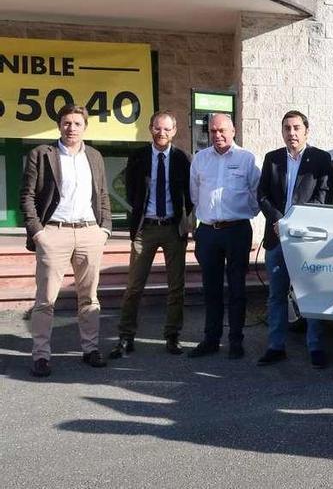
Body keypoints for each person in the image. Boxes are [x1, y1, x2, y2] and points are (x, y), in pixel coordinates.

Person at [19, 104, 112, 377]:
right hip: (53, 233)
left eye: (77, 123)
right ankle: (41, 356)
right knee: (46, 299)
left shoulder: (94, 156)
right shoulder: (41, 154)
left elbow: (103, 195)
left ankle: (91, 349)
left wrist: (104, 229)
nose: (71, 128)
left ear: (85, 127)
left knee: (90, 297)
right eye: (67, 123)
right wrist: (38, 232)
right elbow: (27, 197)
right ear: (59, 125)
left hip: (89, 233)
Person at [111, 111, 192, 358]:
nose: (162, 133)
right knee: (134, 285)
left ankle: (172, 335)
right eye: (158, 128)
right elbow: (131, 190)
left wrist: (186, 219)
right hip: (145, 228)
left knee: (176, 286)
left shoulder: (182, 158)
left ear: (174, 131)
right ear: (150, 128)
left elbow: (190, 193)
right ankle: (126, 336)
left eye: (167, 129)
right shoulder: (138, 157)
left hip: (172, 228)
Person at [257, 110, 333, 369]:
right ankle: (275, 346)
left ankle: (315, 347)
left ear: (306, 131)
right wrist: (279, 221)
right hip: (277, 237)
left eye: (296, 128)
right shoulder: (273, 159)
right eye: (287, 128)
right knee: (276, 295)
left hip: (306, 239)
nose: (292, 133)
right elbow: (262, 195)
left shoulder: (321, 159)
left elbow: (324, 196)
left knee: (311, 294)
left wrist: (296, 224)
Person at [187, 113, 260, 359]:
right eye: (213, 131)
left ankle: (236, 340)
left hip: (237, 230)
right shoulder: (200, 159)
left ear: (234, 131)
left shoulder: (246, 159)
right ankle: (211, 339)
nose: (217, 135)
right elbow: (195, 194)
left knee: (237, 288)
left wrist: (239, 214)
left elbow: (256, 194)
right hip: (208, 232)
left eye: (222, 130)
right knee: (211, 288)